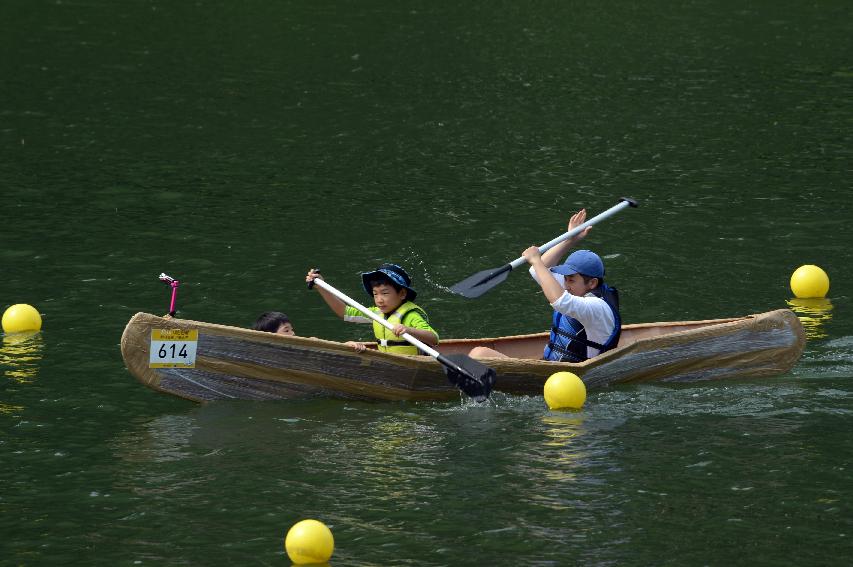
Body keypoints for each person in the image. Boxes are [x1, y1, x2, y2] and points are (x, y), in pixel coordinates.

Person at [470, 208, 621, 362]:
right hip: (553, 368)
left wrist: (536, 260)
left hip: (569, 376)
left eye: (571, 280)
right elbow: (538, 271)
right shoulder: (578, 288)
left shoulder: (597, 307)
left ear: (592, 283)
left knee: (479, 354)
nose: (566, 285)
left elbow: (560, 300)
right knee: (478, 354)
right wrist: (569, 240)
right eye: (566, 278)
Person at [305, 263, 439, 354]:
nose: (379, 299)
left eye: (385, 293)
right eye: (375, 294)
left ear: (402, 294)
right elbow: (344, 312)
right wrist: (321, 287)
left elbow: (433, 338)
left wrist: (408, 330)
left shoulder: (411, 315)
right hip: (388, 366)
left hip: (410, 367)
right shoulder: (376, 312)